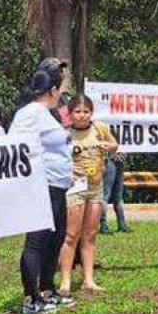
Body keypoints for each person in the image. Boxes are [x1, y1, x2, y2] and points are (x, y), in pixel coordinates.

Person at [9, 68, 74, 314]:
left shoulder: (46, 114)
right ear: (53, 90)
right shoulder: (30, 113)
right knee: (36, 241)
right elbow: (18, 145)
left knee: (56, 237)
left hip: (58, 184)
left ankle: (48, 290)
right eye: (60, 90)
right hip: (41, 184)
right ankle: (31, 297)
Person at [58, 95, 117, 295]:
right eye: (78, 112)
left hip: (95, 186)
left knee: (90, 234)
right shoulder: (64, 134)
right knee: (71, 234)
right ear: (70, 113)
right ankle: (65, 280)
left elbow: (114, 145)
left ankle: (88, 279)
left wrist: (109, 146)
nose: (82, 116)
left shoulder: (100, 129)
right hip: (75, 188)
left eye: (86, 111)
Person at [99, 151, 130, 235]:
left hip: (111, 160)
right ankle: (121, 225)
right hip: (118, 160)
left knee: (106, 195)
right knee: (116, 196)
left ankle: (104, 226)